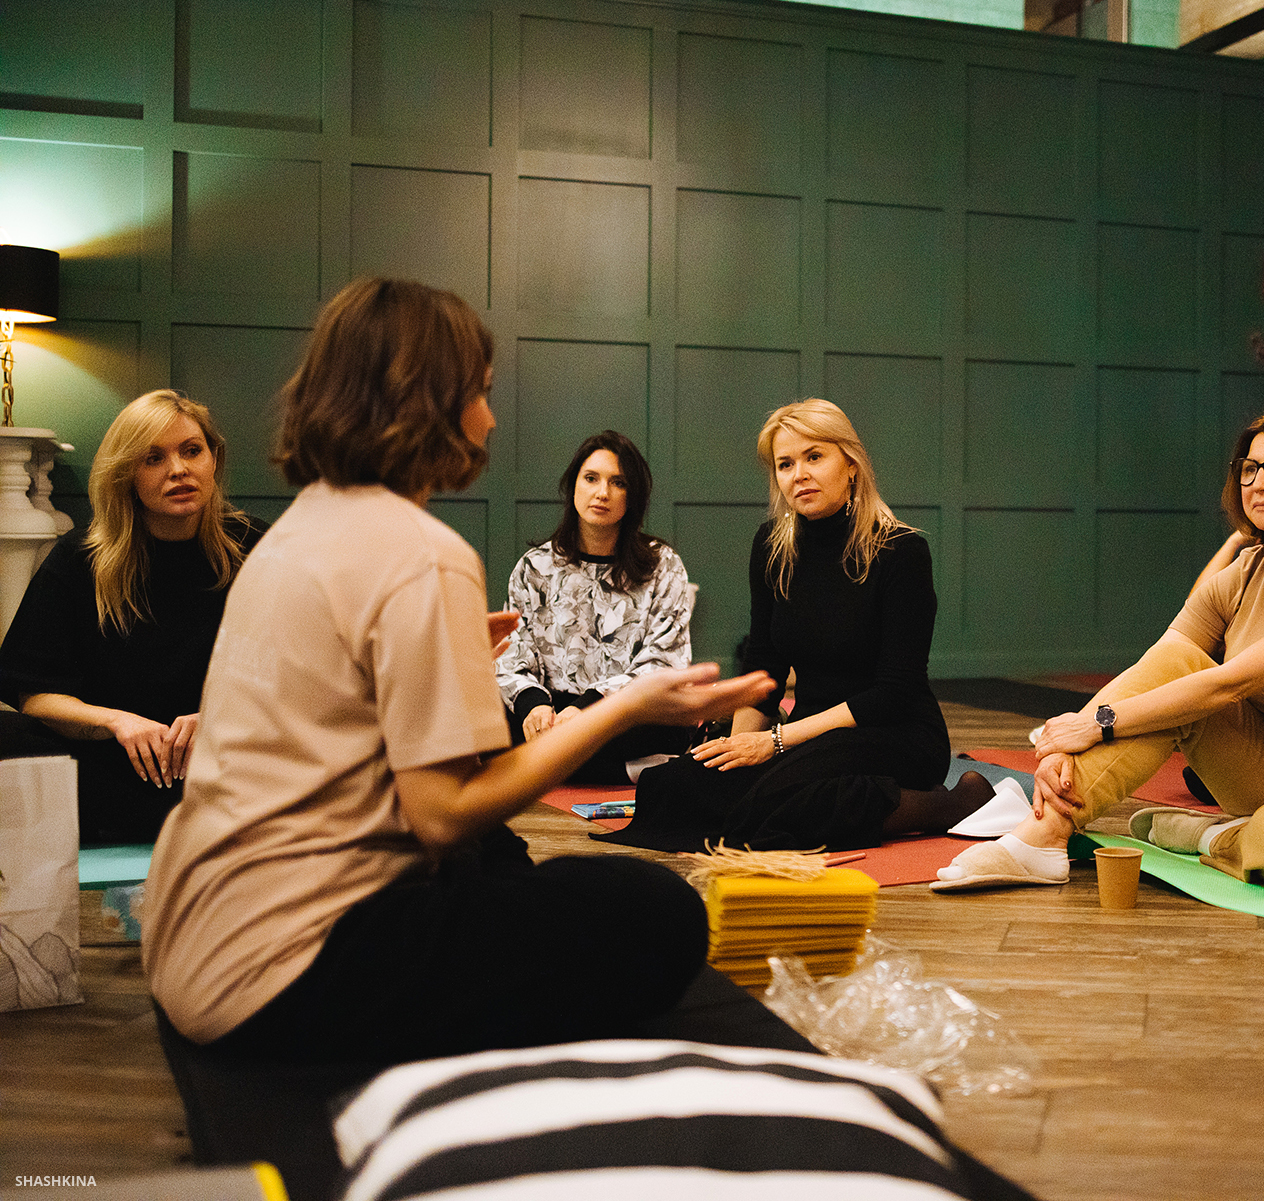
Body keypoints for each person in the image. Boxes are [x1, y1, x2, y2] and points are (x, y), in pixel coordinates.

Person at [140, 277, 773, 1061]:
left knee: (501, 856)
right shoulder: (421, 553)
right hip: (277, 976)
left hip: (187, 940)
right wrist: (629, 706)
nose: (490, 418)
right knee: (657, 909)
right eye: (479, 393)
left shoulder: (293, 532)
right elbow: (442, 815)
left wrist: (446, 650)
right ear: (424, 400)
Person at [933, 406, 1264, 893]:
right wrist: (1064, 749)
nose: (1258, 482)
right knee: (1176, 666)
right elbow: (1160, 664)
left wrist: (1097, 723)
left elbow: (1231, 683)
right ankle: (1043, 836)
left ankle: (1209, 835)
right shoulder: (1247, 571)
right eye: (1249, 469)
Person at [605, 399, 990, 853]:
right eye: (785, 464)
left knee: (777, 805)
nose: (799, 474)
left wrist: (774, 742)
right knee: (672, 787)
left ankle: (959, 802)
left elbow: (894, 693)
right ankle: (865, 798)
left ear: (851, 464)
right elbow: (765, 665)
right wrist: (738, 751)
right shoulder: (772, 546)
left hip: (893, 732)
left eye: (814, 457)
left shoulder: (901, 551)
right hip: (809, 731)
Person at [0, 390, 265, 843]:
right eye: (153, 459)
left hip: (225, 762)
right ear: (126, 474)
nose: (178, 469)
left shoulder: (256, 548)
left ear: (213, 459)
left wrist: (219, 718)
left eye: (192, 451)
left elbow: (302, 678)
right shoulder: (80, 559)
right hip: (113, 764)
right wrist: (117, 722)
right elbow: (36, 696)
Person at [494, 430, 695, 784]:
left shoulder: (663, 565)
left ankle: (546, 765)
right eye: (591, 478)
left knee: (669, 722)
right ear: (573, 485)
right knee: (487, 718)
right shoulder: (534, 567)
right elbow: (513, 652)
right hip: (552, 713)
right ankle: (634, 769)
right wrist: (532, 704)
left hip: (624, 715)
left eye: (618, 483)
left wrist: (587, 709)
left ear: (633, 496)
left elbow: (663, 660)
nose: (602, 493)